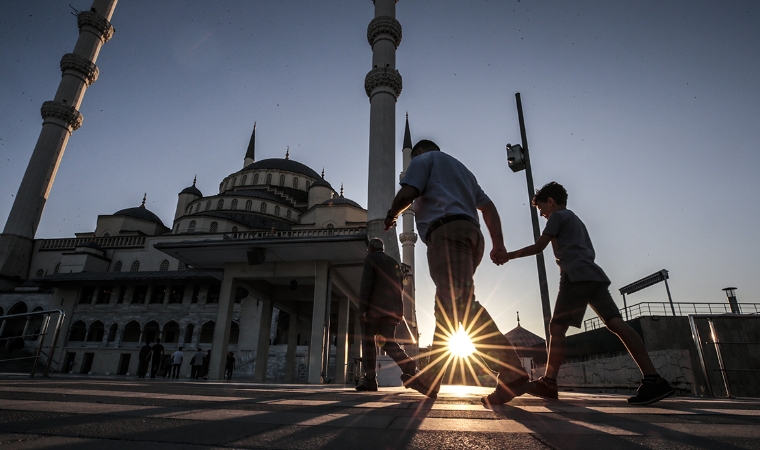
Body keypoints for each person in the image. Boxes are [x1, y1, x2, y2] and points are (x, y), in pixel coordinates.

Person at [505, 182, 677, 405]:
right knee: (616, 324)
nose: (542, 215)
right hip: (594, 275)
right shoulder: (576, 220)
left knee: (556, 328)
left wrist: (507, 256)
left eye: (541, 210)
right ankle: (653, 378)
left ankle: (548, 382)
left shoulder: (557, 217)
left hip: (575, 276)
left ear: (550, 201)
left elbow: (539, 247)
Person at [385, 139, 528, 404]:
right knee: (449, 307)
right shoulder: (463, 171)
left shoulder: (422, 161)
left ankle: (512, 372)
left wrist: (392, 214)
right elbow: (488, 207)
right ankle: (432, 378)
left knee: (459, 305)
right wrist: (498, 243)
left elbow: (408, 193)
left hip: (446, 234)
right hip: (471, 236)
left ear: (416, 154)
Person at [355, 238, 418, 393]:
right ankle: (407, 364)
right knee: (388, 342)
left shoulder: (371, 259)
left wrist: (363, 309)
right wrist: (399, 312)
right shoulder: (394, 262)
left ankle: (370, 381)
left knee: (369, 344)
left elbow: (366, 285)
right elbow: (400, 288)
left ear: (370, 248)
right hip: (392, 311)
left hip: (373, 312)